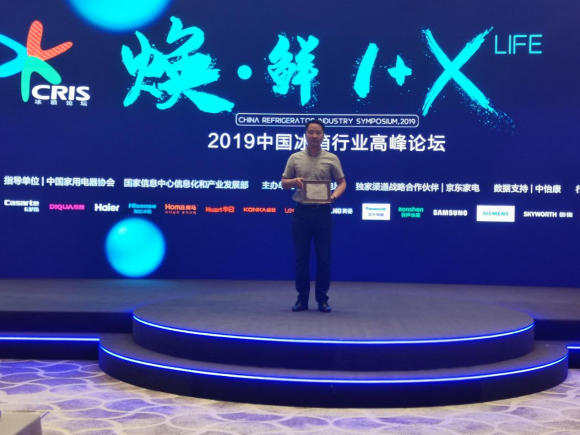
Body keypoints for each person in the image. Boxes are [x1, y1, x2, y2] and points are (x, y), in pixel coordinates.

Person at [282, 119, 346, 313]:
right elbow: (284, 183)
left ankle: (322, 300)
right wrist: (294, 181)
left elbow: (342, 182)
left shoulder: (331, 158)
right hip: (301, 213)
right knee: (301, 259)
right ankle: (302, 300)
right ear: (305, 134)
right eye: (311, 132)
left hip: (322, 213)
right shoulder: (295, 158)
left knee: (323, 259)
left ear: (323, 135)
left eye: (318, 132)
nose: (314, 136)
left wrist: (333, 196)